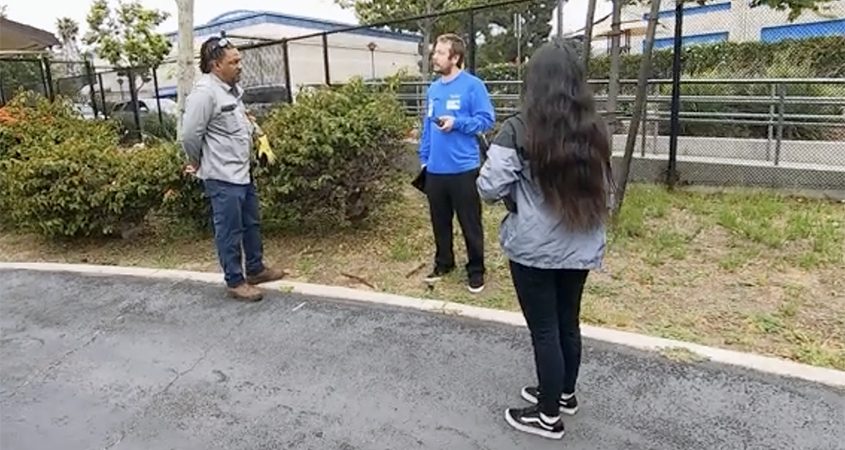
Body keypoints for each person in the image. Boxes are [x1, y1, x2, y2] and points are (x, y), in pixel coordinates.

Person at [477, 39, 613, 440]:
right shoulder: (597, 129)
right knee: (568, 322)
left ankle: (547, 415)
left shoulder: (518, 129)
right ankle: (564, 393)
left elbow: (488, 187)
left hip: (535, 248)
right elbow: (608, 187)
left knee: (545, 330)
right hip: (582, 243)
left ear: (533, 80)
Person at [181, 36, 285, 302]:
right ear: (216, 65)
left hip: (242, 172)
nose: (240, 65)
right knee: (229, 230)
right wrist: (196, 162)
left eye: (239, 60)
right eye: (234, 61)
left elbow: (241, 122)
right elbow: (190, 135)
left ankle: (256, 269)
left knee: (251, 223)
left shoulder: (230, 90)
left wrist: (259, 137)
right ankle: (235, 281)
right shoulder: (205, 93)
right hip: (222, 176)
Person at [419, 33, 495, 293]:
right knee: (439, 221)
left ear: (455, 57)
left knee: (470, 222)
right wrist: (424, 158)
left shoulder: (473, 86)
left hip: (464, 169)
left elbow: (486, 120)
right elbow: (427, 126)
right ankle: (444, 263)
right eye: (435, 52)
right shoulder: (433, 88)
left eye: (440, 53)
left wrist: (458, 123)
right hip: (435, 170)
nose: (435, 57)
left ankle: (476, 270)